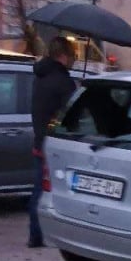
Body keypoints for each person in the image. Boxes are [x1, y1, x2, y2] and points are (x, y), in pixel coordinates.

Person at [29, 36, 77, 248]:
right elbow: (73, 114)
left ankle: (35, 234)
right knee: (56, 190)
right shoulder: (62, 81)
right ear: (63, 55)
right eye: (72, 55)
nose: (74, 60)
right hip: (58, 144)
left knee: (40, 189)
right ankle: (45, 234)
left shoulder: (40, 76)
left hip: (41, 140)